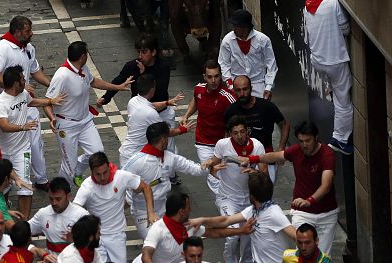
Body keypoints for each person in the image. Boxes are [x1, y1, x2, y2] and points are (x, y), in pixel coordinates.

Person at [238, 121, 339, 255]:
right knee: (303, 252)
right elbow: (275, 156)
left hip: (327, 213)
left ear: (316, 137)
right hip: (302, 212)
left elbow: (325, 185)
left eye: (307, 140)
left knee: (323, 257)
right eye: (301, 141)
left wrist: (310, 200)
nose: (304, 145)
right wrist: (251, 159)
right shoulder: (296, 150)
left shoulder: (327, 154)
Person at [46, 40, 132, 186]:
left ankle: (78, 171)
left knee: (98, 153)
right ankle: (59, 192)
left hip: (85, 121)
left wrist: (117, 87)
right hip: (67, 126)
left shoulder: (83, 68)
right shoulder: (62, 76)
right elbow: (48, 101)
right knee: (68, 168)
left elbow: (93, 82)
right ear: (82, 56)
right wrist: (52, 118)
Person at [0, 16, 53, 192]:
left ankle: (41, 179)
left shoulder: (29, 48)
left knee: (35, 141)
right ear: (18, 32)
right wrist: (14, 88)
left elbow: (36, 72)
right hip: (3, 105)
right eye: (27, 31)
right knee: (1, 146)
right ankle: (1, 183)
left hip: (26, 103)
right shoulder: (3, 48)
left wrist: (52, 86)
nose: (31, 34)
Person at [194, 172, 297, 263]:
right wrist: (202, 220)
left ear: (251, 196)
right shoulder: (253, 210)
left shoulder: (274, 213)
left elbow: (297, 236)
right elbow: (226, 220)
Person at [0, 65, 63, 219]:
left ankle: (24, 222)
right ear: (16, 83)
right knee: (2, 189)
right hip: (2, 153)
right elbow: (3, 125)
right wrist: (23, 127)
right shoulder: (0, 102)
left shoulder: (23, 94)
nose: (26, 80)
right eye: (23, 79)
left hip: (22, 150)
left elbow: (32, 102)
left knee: (25, 188)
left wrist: (51, 100)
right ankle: (3, 216)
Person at [100, 33, 182, 163]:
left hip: (162, 112)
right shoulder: (132, 66)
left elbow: (158, 91)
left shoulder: (163, 67)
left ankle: (170, 172)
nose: (140, 56)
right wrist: (106, 97)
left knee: (168, 146)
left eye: (144, 52)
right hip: (141, 113)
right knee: (139, 142)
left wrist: (144, 74)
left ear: (154, 52)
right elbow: (119, 81)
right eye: (139, 52)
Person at [123, 122, 213, 239]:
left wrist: (210, 166)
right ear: (163, 139)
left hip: (165, 209)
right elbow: (120, 182)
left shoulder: (170, 158)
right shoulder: (136, 162)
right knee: (155, 243)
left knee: (175, 241)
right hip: (143, 212)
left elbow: (194, 169)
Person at [73, 152, 156, 263]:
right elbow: (74, 209)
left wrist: (150, 213)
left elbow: (145, 187)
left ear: (109, 165)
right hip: (96, 238)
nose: (102, 177)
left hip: (117, 235)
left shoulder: (121, 177)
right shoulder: (87, 186)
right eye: (98, 174)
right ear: (91, 172)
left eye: (105, 172)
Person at [202, 116, 266, 263]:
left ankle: (246, 262)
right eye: (235, 133)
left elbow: (264, 172)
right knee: (232, 233)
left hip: (249, 200)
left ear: (247, 131)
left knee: (248, 233)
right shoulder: (222, 145)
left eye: (242, 132)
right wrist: (209, 164)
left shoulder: (257, 146)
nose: (239, 136)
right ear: (229, 134)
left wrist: (255, 172)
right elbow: (214, 161)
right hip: (227, 197)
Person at [302, 0, 352, 154]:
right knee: (343, 102)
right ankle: (340, 139)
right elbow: (346, 29)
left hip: (319, 62)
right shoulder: (332, 3)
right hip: (335, 61)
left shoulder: (306, 8)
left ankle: (331, 89)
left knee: (336, 92)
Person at [179, 60, 236, 195]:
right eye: (210, 77)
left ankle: (227, 201)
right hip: (203, 142)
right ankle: (223, 202)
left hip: (222, 144)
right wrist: (186, 115)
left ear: (220, 76)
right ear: (204, 77)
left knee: (226, 174)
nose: (213, 80)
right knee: (212, 174)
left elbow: (237, 118)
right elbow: (195, 101)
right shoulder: (198, 89)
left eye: (216, 76)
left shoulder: (228, 97)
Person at [224, 75, 289, 181]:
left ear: (251, 88)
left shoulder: (267, 106)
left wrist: (281, 148)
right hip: (240, 158)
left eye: (245, 89)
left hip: (266, 156)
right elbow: (227, 134)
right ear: (234, 91)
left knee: (265, 191)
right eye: (238, 90)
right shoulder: (230, 111)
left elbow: (285, 124)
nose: (242, 93)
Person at [118, 74, 190, 167]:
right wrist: (183, 129)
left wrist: (167, 103)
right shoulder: (150, 114)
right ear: (152, 90)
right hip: (135, 158)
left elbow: (151, 105)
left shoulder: (133, 101)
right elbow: (166, 132)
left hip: (127, 153)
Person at [133, 193, 205, 263]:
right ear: (181, 212)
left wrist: (204, 220)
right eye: (188, 207)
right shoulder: (157, 229)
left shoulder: (189, 225)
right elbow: (146, 251)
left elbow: (220, 230)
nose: (190, 210)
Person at [28, 176, 90, 263]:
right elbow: (22, 233)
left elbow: (92, 245)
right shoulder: (43, 214)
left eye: (58, 199)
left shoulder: (82, 215)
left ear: (69, 196)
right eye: (51, 199)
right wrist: (33, 248)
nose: (54, 203)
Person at [218, 9, 277, 99]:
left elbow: (271, 65)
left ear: (245, 27)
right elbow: (223, 64)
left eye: (236, 26)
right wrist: (230, 84)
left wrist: (268, 87)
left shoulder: (263, 40)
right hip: (236, 85)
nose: (233, 29)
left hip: (258, 84)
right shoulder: (227, 41)